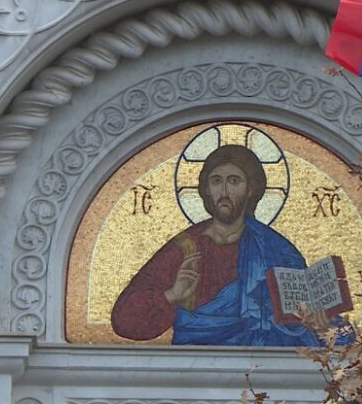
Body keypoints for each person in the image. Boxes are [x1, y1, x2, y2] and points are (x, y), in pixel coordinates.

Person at [111, 145, 324, 346]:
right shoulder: (185, 247)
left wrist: (317, 320)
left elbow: (305, 321)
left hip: (262, 365)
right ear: (206, 189)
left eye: (234, 181)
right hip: (191, 365)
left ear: (251, 189)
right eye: (216, 181)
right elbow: (123, 320)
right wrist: (172, 295)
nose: (223, 192)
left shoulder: (276, 249)